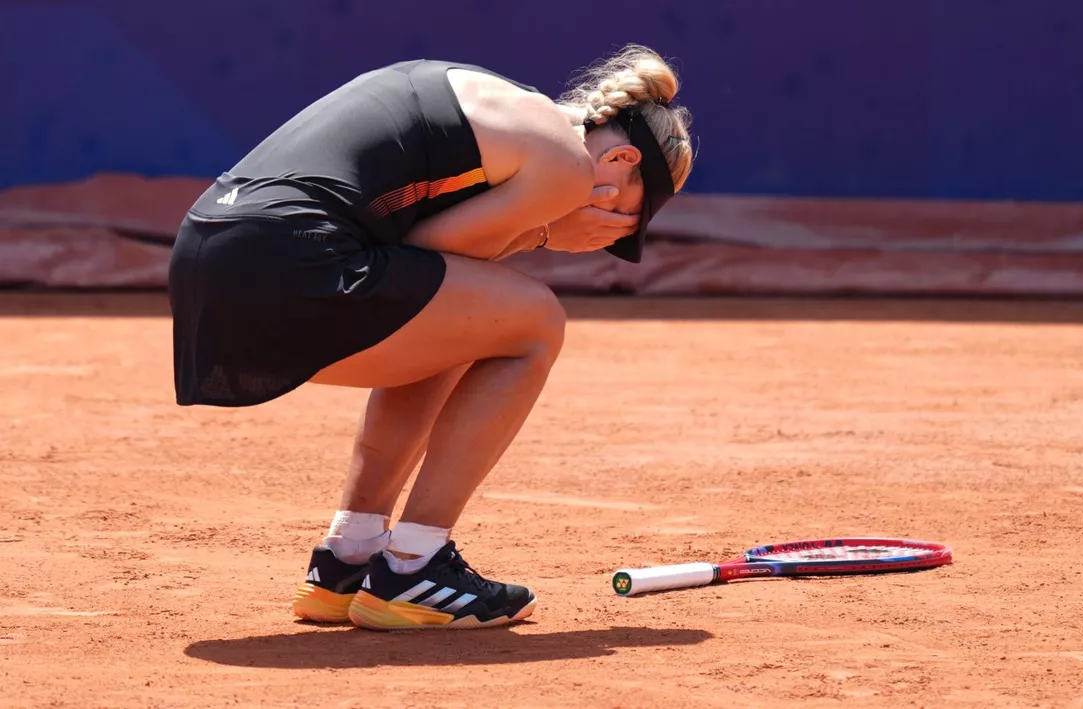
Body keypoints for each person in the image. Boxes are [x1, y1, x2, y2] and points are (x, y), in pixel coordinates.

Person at [167, 44, 695, 629]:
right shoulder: (567, 165)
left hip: (205, 258)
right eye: (626, 215)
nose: (610, 231)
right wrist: (547, 231)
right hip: (287, 265)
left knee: (464, 322)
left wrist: (533, 228)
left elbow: (427, 276)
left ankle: (350, 556)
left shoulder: (497, 102)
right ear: (620, 158)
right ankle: (415, 566)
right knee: (536, 326)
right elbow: (425, 257)